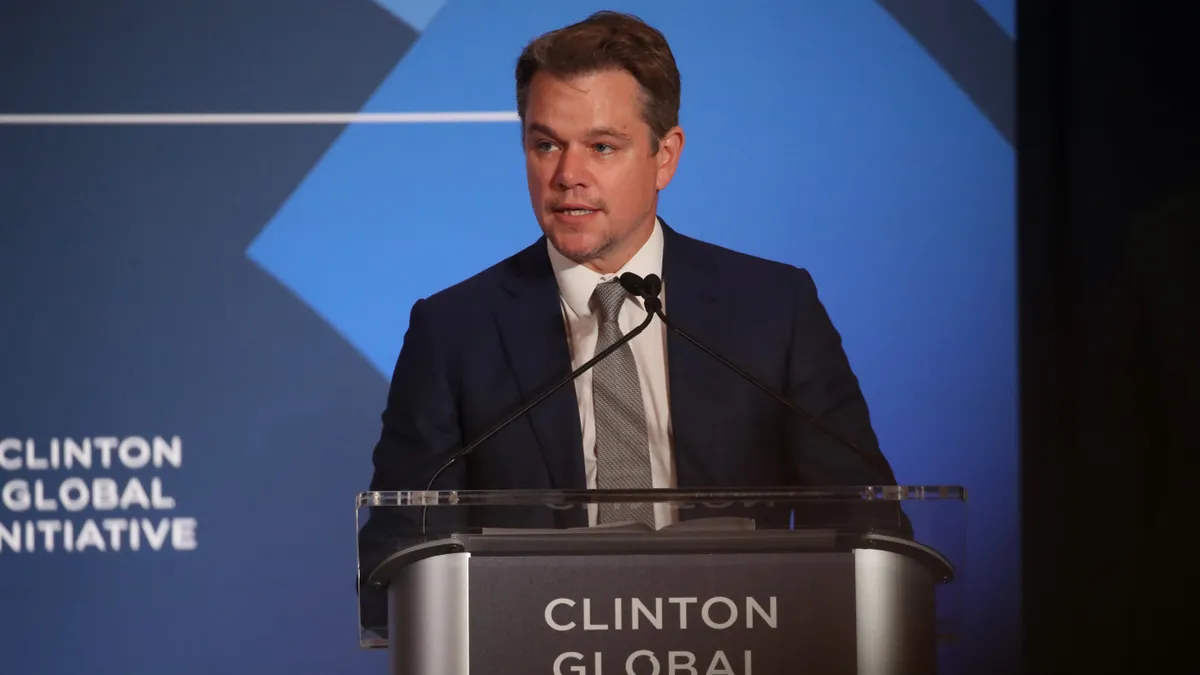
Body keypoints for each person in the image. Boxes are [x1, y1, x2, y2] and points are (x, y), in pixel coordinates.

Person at [359, 10, 899, 579]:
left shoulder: (774, 309)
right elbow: (398, 556)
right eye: (546, 145)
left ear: (664, 156)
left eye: (602, 147)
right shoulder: (454, 331)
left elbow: (868, 526)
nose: (568, 174)